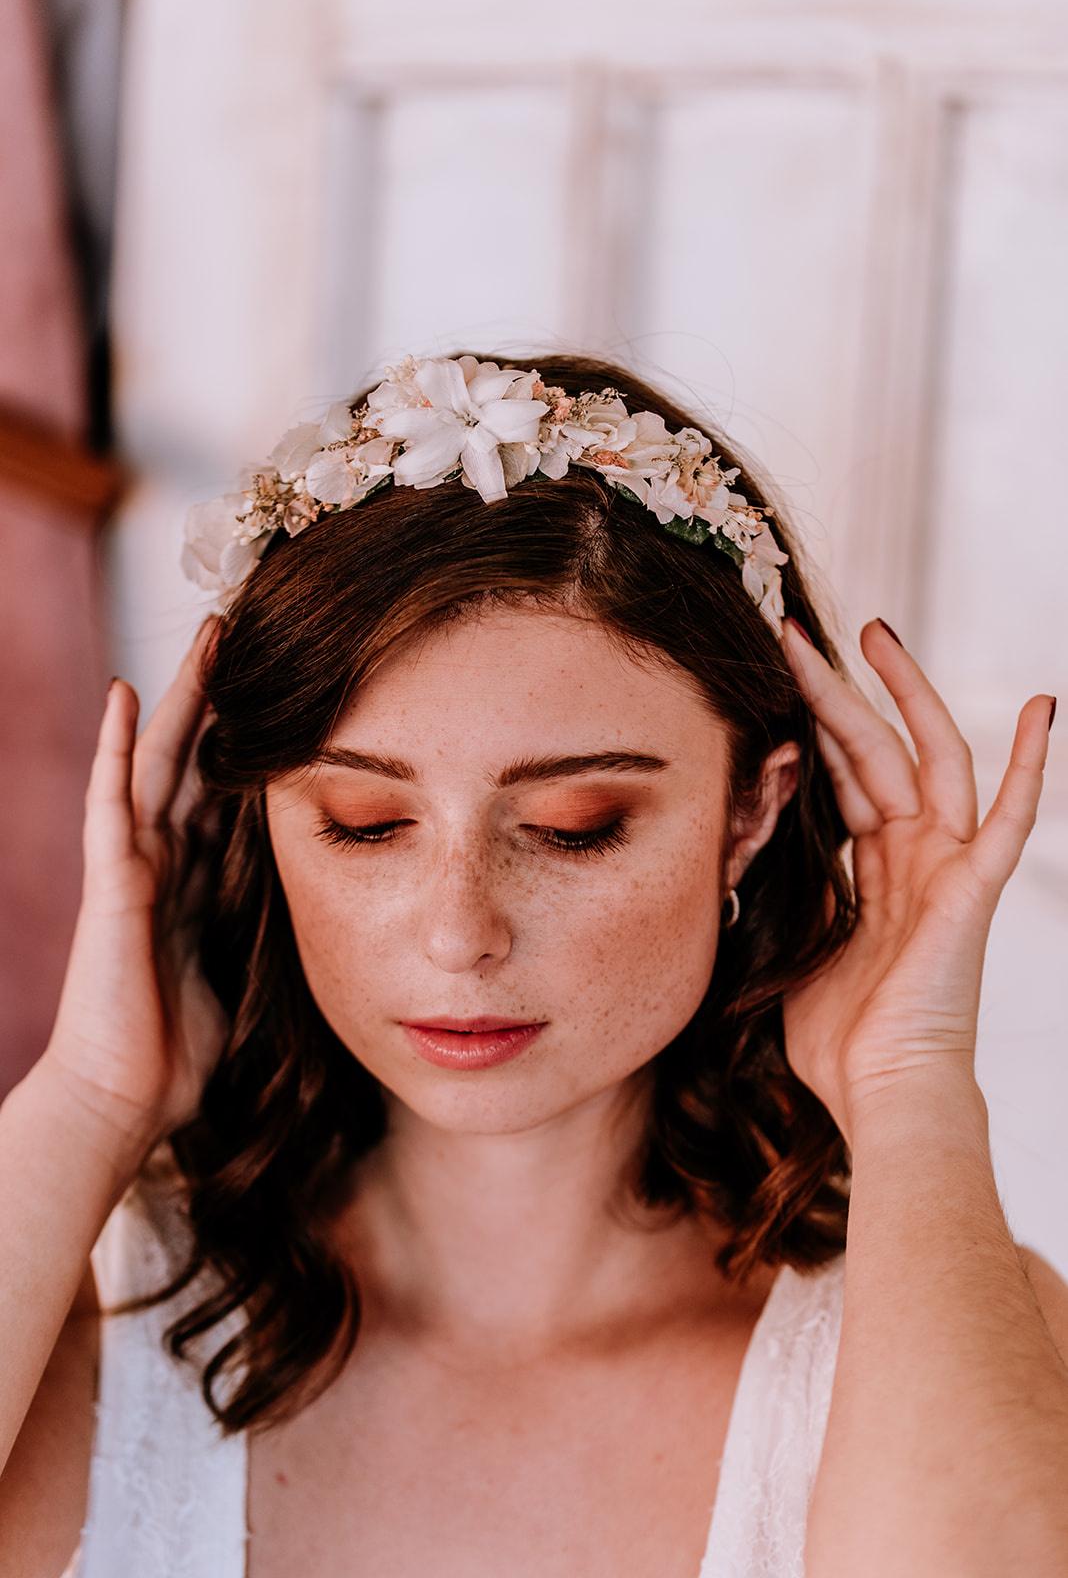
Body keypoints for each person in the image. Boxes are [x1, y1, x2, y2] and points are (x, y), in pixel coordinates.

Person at [1, 350, 1065, 1578]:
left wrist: (913, 1082)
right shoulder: (86, 1330)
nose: (461, 933)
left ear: (751, 811)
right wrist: (85, 1099)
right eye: (365, 820)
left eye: (574, 827)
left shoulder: (965, 1337)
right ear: (256, 819)